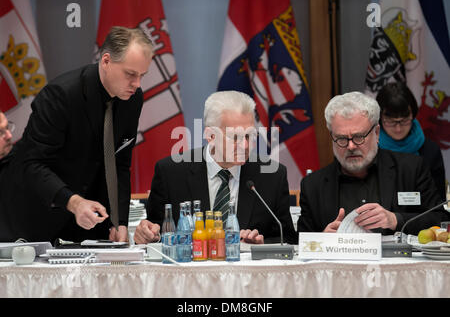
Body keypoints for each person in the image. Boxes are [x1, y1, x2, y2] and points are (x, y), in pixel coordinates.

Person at [0, 26, 153, 242]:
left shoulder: (132, 99)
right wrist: (74, 202)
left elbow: (119, 164)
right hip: (37, 216)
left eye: (142, 76)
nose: (137, 84)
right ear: (106, 61)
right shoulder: (61, 95)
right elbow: (31, 164)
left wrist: (119, 221)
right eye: (130, 74)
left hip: (89, 224)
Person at [134, 90, 297, 245]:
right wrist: (147, 235)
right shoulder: (170, 173)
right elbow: (155, 234)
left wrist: (261, 245)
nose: (245, 145)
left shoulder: (272, 175)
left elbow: (287, 238)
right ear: (210, 136)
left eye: (249, 135)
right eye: (235, 137)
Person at [297, 91, 448, 235]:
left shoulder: (411, 169)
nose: (351, 146)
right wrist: (322, 239)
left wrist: (396, 220)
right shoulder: (312, 185)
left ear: (376, 133)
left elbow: (441, 220)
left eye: (359, 137)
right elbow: (298, 244)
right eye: (342, 139)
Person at [376, 81, 446, 200]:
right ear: (379, 118)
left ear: (413, 115)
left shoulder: (430, 150)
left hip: (424, 217)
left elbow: (439, 204)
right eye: (391, 121)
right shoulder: (370, 150)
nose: (398, 128)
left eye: (404, 120)